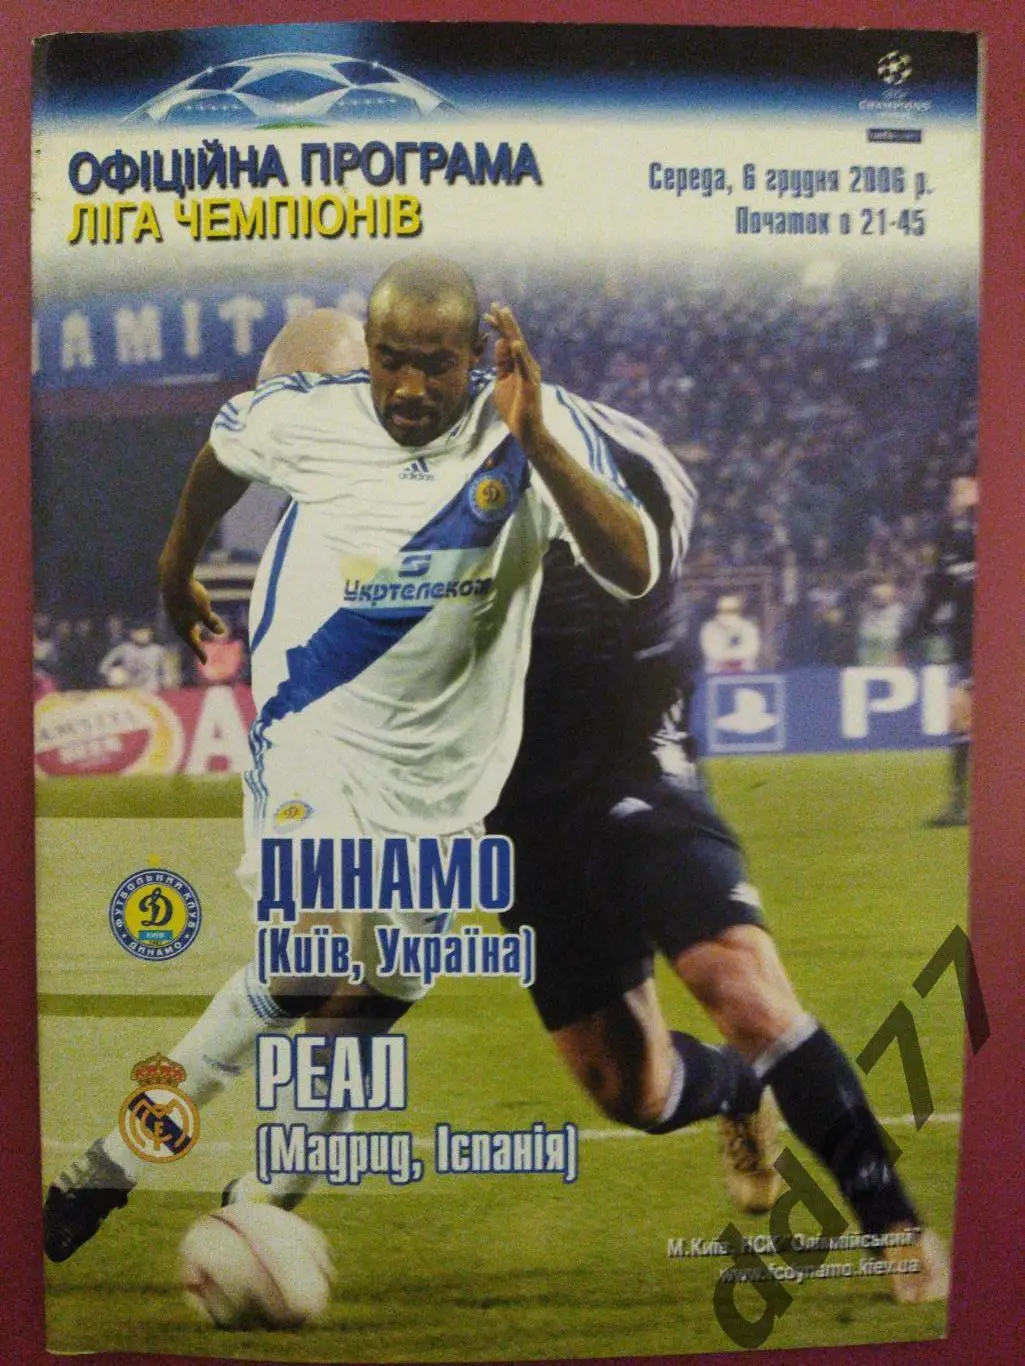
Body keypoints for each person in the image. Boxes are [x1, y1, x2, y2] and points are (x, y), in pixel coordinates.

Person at [42, 257, 659, 1260]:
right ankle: (109, 1167)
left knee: (368, 1005)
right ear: (365, 355)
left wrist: (539, 439)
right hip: (316, 741)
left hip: (449, 785)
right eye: (388, 362)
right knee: (313, 953)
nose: (407, 388)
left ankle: (259, 1204)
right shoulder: (307, 423)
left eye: (434, 365)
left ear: (474, 358)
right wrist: (174, 563)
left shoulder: (526, 435)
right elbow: (223, 450)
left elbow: (632, 565)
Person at [484, 426, 949, 1305]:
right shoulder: (423, 539)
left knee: (737, 984)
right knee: (628, 1091)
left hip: (634, 773)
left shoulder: (618, 530)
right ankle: (737, 1088)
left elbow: (644, 543)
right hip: (524, 826)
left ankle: (889, 1220)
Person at [903, 472, 977, 827]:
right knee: (961, 717)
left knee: (963, 715)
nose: (956, 495)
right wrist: (914, 634)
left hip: (997, 641)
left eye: (963, 488)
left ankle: (959, 806)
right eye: (954, 490)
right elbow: (937, 591)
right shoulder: (951, 538)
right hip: (965, 641)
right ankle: (958, 806)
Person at [699, 593, 761, 672]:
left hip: (745, 670)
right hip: (715, 671)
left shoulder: (748, 627)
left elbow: (751, 651)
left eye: (732, 609)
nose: (728, 613)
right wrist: (733, 655)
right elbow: (712, 653)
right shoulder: (709, 628)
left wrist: (729, 655)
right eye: (725, 609)